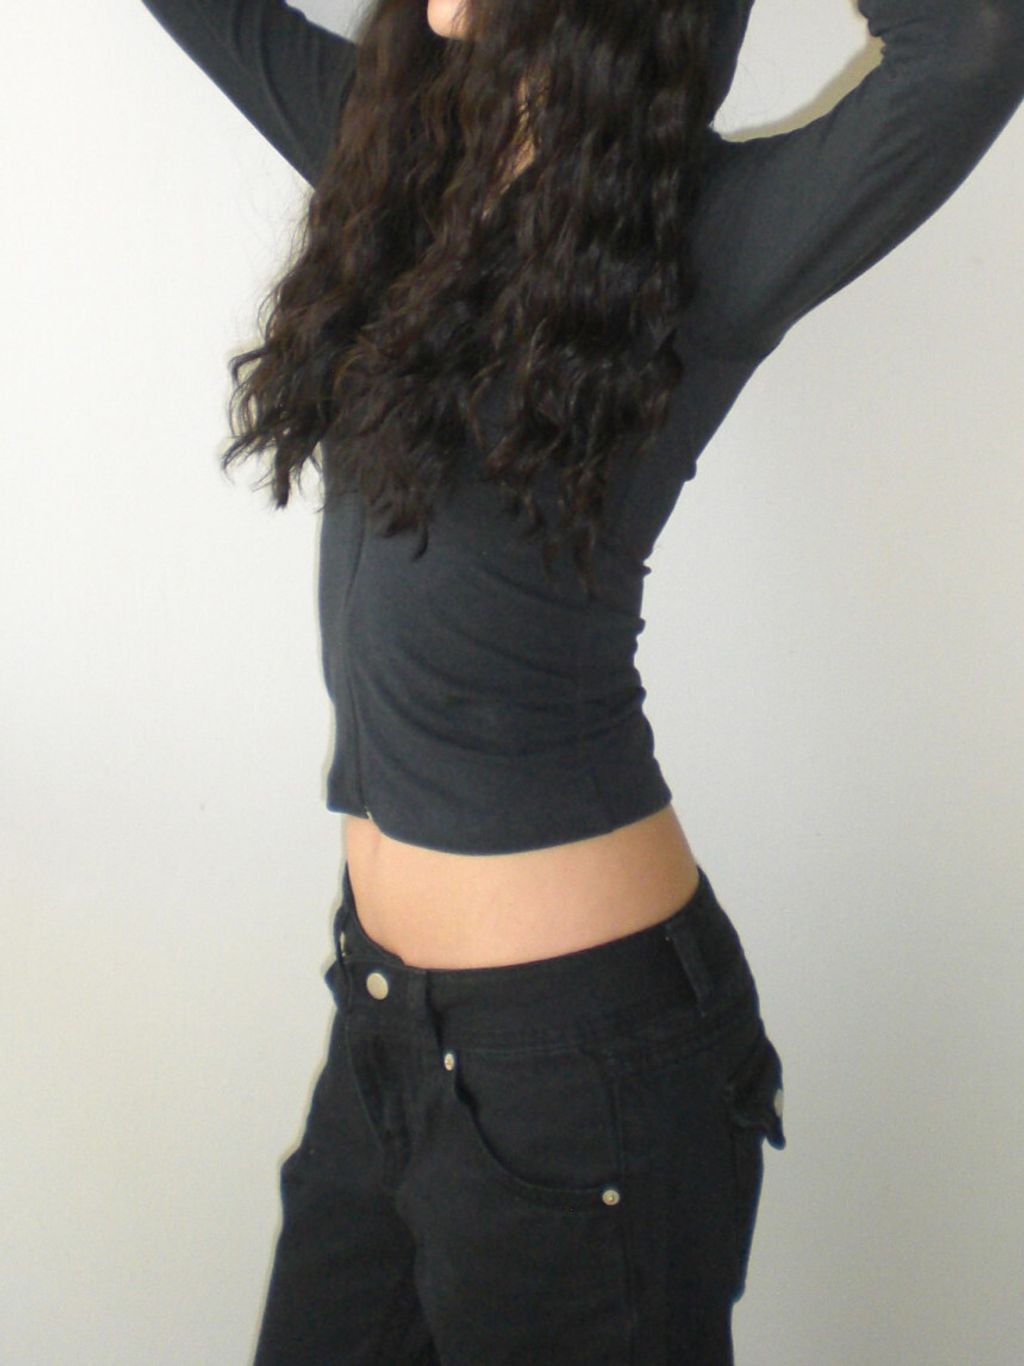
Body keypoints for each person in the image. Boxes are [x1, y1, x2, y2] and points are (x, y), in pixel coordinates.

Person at [137, 2, 1023, 1361]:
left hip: (578, 1070)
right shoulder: (403, 154)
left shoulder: (705, 236)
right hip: (382, 1028)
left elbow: (972, 46)